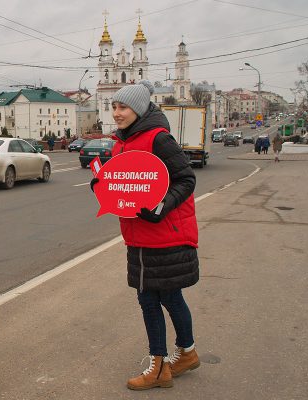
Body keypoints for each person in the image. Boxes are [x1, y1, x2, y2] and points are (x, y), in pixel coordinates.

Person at [91, 80, 200, 390]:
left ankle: (159, 365)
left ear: (138, 109)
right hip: (138, 234)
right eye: (113, 106)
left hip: (165, 232)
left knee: (156, 297)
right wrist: (102, 185)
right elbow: (121, 182)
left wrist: (161, 206)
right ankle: (185, 354)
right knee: (160, 296)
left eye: (122, 107)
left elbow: (185, 179)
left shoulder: (158, 139)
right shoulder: (121, 142)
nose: (116, 113)